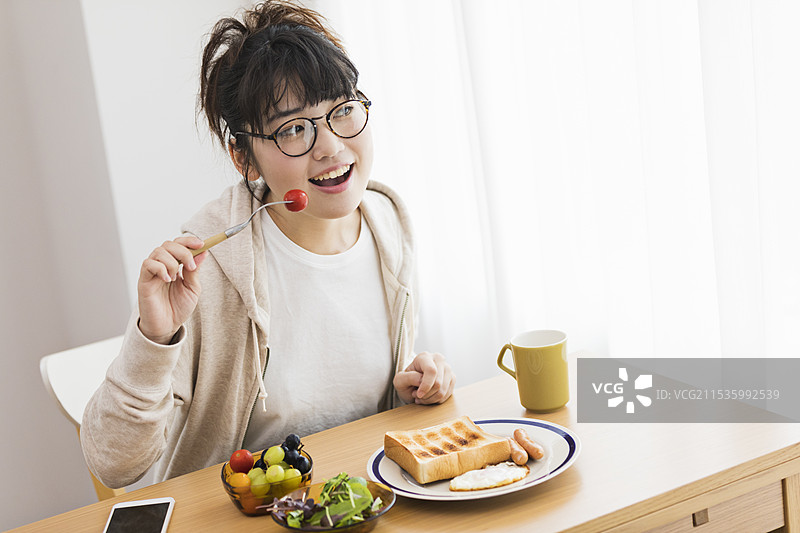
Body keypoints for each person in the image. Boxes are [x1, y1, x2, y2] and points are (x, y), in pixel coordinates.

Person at [81, 0, 455, 489]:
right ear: (244, 159)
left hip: (357, 503)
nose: (330, 147)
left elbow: (352, 412)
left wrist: (410, 390)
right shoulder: (205, 268)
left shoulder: (388, 226)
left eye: (342, 111)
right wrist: (153, 339)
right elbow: (113, 462)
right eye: (293, 128)